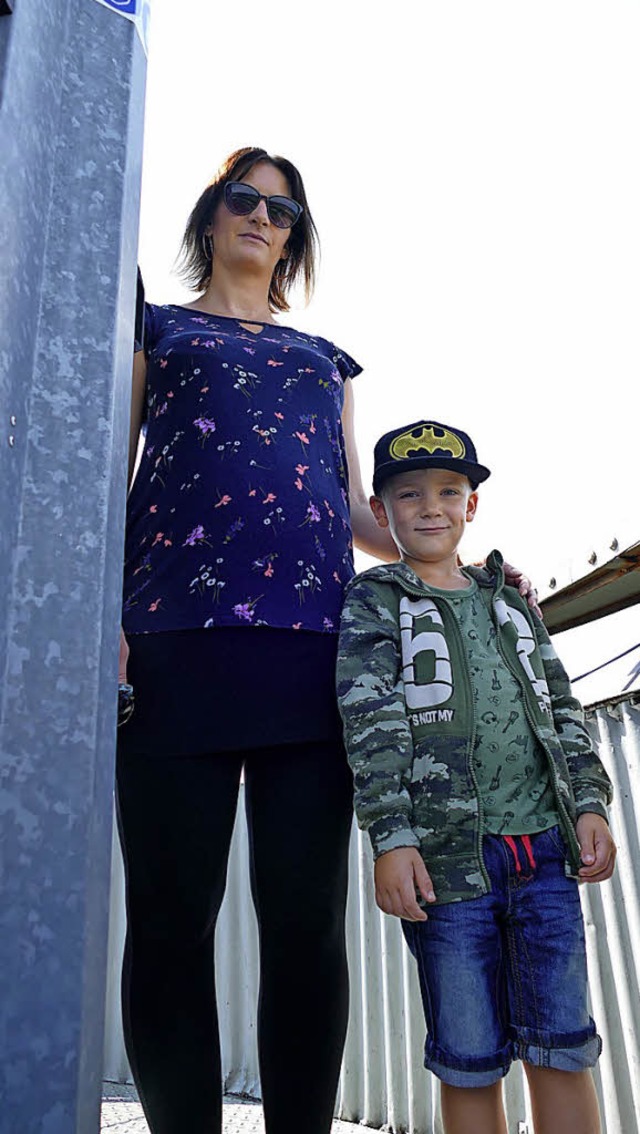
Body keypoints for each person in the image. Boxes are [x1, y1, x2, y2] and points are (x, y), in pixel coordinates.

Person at [117, 148, 539, 1134]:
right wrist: (100, 623)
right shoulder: (156, 333)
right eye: (243, 200)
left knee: (305, 929)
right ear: (210, 218)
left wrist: (463, 568)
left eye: (283, 210)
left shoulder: (324, 361)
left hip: (316, 660)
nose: (263, 218)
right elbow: (107, 474)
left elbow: (351, 507)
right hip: (174, 648)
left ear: (293, 237)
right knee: (172, 926)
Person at [336, 419, 616, 1134]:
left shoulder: (513, 602)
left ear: (472, 505)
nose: (431, 507)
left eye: (448, 491)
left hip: (546, 855)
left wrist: (589, 802)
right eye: (409, 495)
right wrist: (391, 838)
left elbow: (562, 706)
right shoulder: (376, 603)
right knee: (468, 1053)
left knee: (563, 1043)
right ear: (382, 510)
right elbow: (371, 727)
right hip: (448, 866)